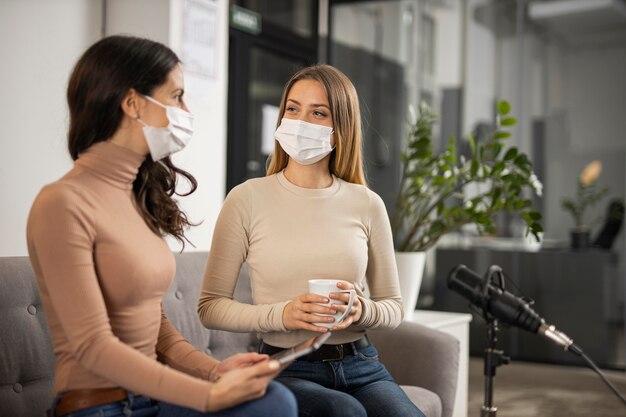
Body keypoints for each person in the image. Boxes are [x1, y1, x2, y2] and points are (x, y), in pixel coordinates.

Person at [26, 35, 297, 417]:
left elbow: (155, 324)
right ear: (133, 103)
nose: (186, 109)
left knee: (274, 399)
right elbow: (91, 345)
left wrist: (216, 370)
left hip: (149, 401)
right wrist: (207, 396)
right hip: (100, 407)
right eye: (176, 96)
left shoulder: (133, 195)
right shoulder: (62, 202)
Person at [198, 64, 425, 417]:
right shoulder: (246, 199)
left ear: (340, 129)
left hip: (361, 363)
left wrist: (362, 309)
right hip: (288, 364)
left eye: (318, 112)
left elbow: (393, 307)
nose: (300, 121)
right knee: (344, 412)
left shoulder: (367, 203)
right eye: (293, 108)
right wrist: (283, 314)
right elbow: (210, 307)